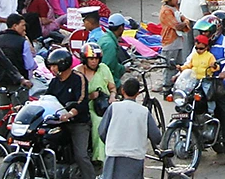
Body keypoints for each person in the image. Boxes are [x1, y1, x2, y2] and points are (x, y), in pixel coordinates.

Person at [45, 49, 95, 179]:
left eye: (54, 65)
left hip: (78, 123)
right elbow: (47, 99)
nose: (52, 69)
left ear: (63, 64)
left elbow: (82, 101)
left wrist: (70, 114)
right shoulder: (54, 81)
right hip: (58, 123)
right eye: (51, 66)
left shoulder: (78, 78)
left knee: (81, 155)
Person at [99, 77, 162, 179]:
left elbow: (102, 131)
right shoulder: (144, 112)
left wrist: (112, 142)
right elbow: (156, 137)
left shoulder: (114, 108)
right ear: (137, 93)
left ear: (122, 90)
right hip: (135, 156)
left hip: (114, 154)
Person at [76, 43, 117, 163]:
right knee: (97, 122)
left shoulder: (104, 68)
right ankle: (98, 157)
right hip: (85, 108)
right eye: (91, 59)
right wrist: (90, 96)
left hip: (103, 106)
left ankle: (106, 156)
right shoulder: (77, 72)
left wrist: (112, 97)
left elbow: (112, 88)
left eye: (96, 59)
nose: (94, 61)